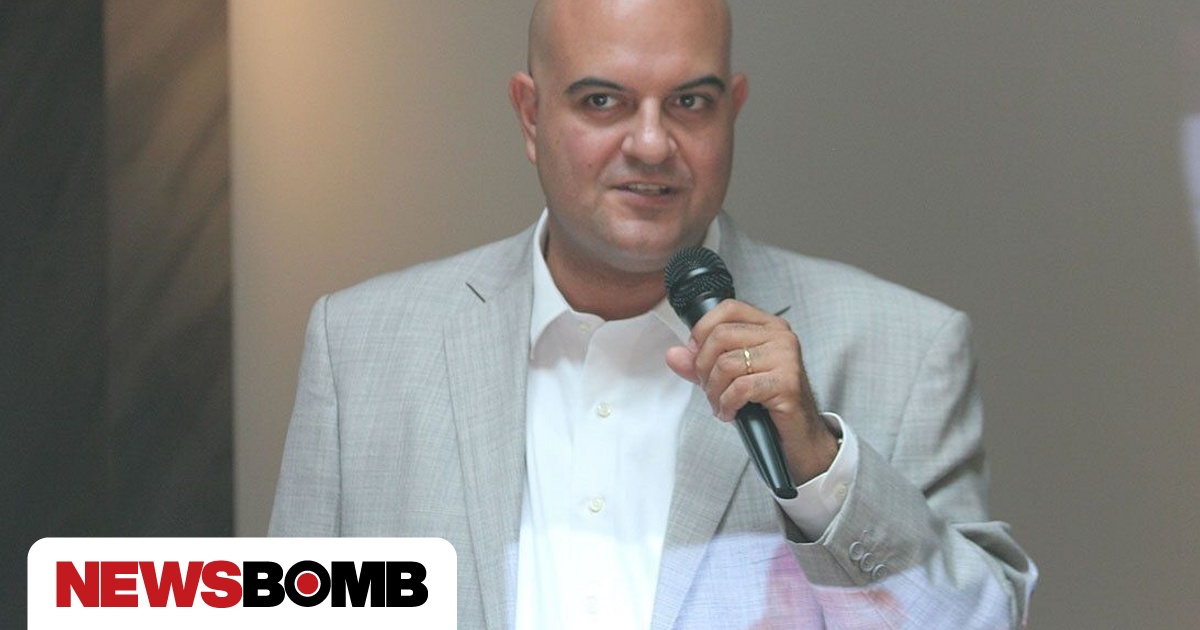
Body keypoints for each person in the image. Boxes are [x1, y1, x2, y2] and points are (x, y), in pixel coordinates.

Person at [269, 0, 1038, 627]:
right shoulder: (360, 348)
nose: (649, 143)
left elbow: (981, 622)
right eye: (602, 101)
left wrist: (819, 470)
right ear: (530, 115)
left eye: (689, 103)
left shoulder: (904, 349)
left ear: (732, 110)